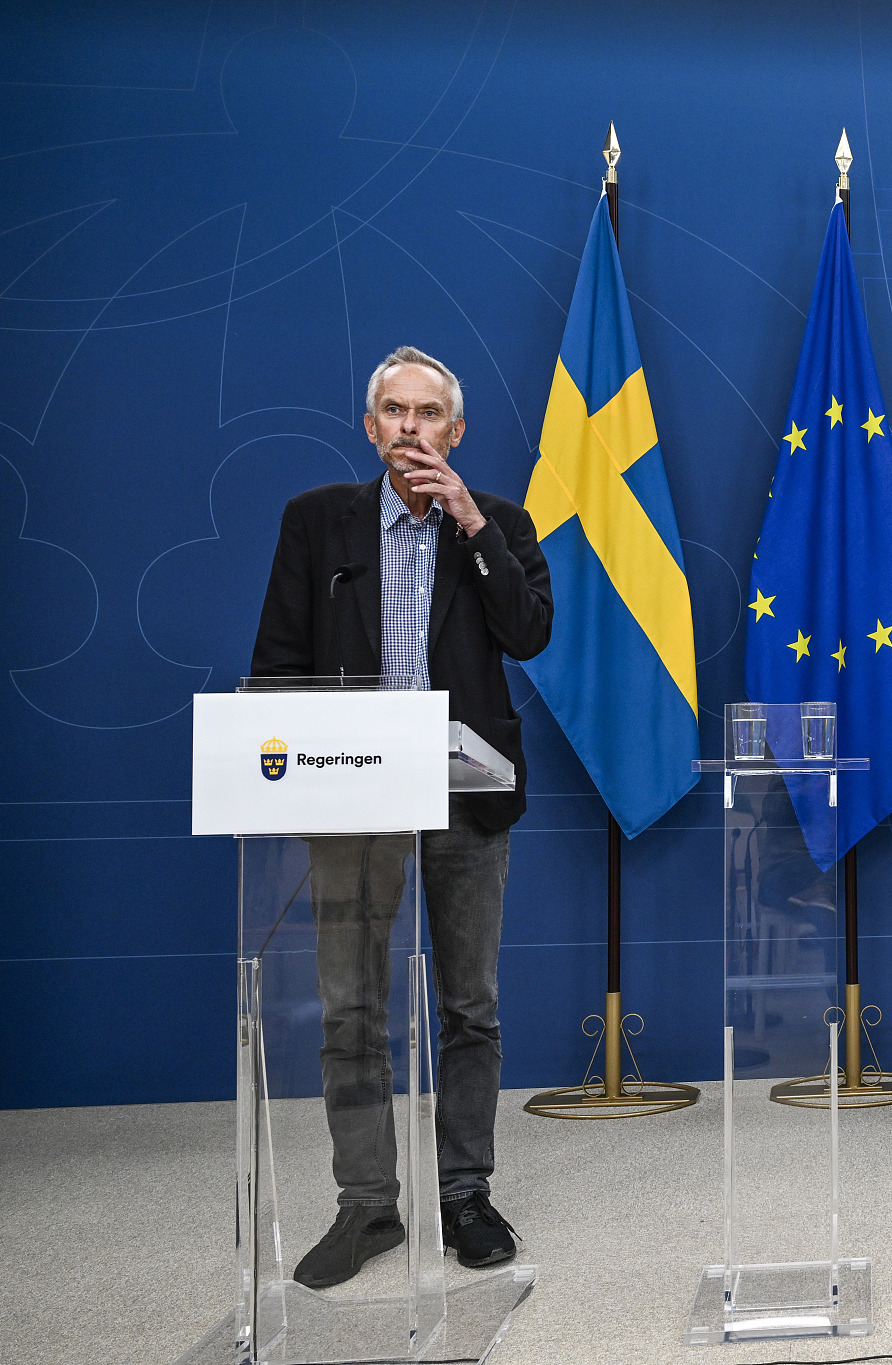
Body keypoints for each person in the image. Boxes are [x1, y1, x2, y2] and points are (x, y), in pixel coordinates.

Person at [251, 345, 552, 1285]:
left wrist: (469, 523)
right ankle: (367, 1205)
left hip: (466, 789)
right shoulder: (316, 522)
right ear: (370, 424)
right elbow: (276, 661)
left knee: (470, 1005)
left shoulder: (497, 521)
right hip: (352, 792)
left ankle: (464, 1192)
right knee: (352, 1004)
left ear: (455, 433)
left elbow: (530, 632)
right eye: (394, 410)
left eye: (429, 415)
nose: (411, 428)